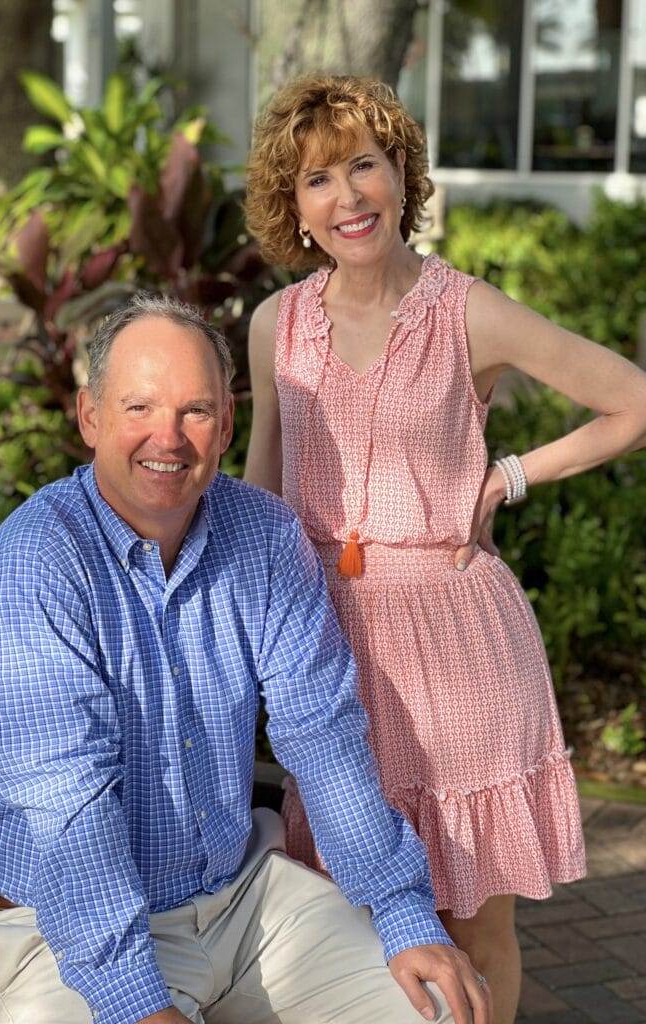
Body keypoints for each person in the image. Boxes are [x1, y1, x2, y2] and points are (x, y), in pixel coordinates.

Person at [0, 293, 493, 1024]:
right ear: (90, 417)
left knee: (441, 1008)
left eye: (195, 411)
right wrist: (137, 1003)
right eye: (138, 408)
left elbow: (323, 736)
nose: (167, 438)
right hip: (56, 935)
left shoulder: (263, 536)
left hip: (240, 904)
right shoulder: (35, 566)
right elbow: (68, 814)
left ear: (228, 425)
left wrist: (404, 913)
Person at [243, 74, 646, 1024]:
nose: (347, 198)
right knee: (341, 912)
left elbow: (631, 398)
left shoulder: (470, 312)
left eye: (364, 166)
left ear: (401, 176)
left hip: (458, 646)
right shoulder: (276, 327)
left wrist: (508, 476)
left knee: (473, 922)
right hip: (326, 645)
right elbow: (261, 490)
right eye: (317, 180)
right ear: (293, 209)